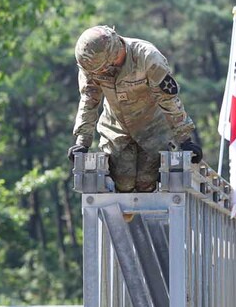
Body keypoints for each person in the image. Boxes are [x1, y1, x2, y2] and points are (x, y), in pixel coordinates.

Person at [70, 25, 203, 192]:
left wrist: (185, 139)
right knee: (122, 184)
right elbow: (89, 100)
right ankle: (125, 214)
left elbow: (168, 100)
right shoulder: (91, 65)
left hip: (153, 128)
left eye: (104, 68)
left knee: (146, 182)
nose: (103, 72)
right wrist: (82, 142)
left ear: (116, 52)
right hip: (116, 128)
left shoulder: (147, 58)